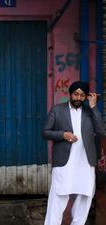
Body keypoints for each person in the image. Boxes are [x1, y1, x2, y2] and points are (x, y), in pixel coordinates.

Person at [42, 81, 105, 225]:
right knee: (59, 196)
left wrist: (94, 106)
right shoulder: (57, 110)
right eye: (76, 94)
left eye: (82, 95)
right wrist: (63, 135)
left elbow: (101, 130)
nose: (78, 98)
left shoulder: (90, 111)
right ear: (70, 94)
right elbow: (45, 132)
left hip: (86, 160)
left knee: (85, 195)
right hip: (65, 160)